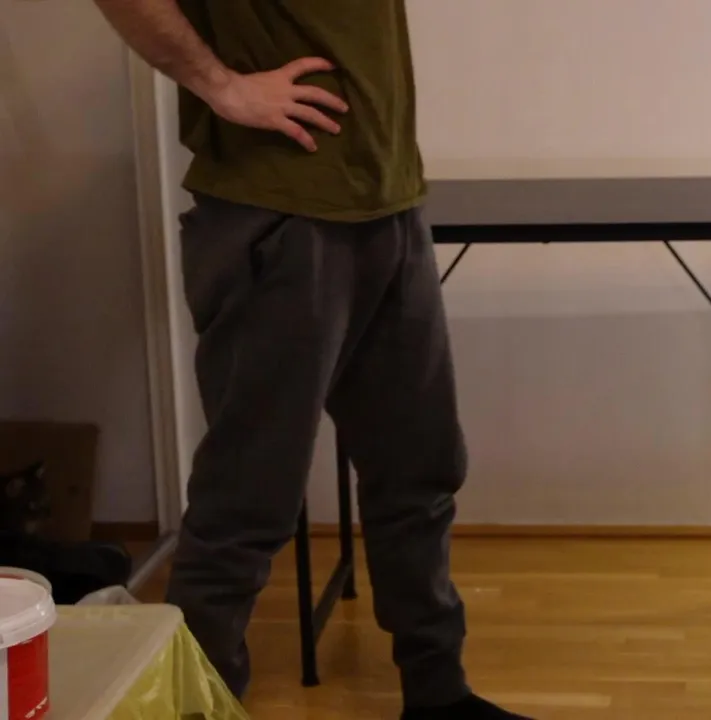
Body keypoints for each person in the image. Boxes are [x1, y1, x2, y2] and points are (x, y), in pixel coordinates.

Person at [91, 2, 528, 718]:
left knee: (419, 474)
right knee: (247, 501)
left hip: (388, 203)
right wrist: (220, 84)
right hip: (280, 215)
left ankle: (439, 697)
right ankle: (198, 711)